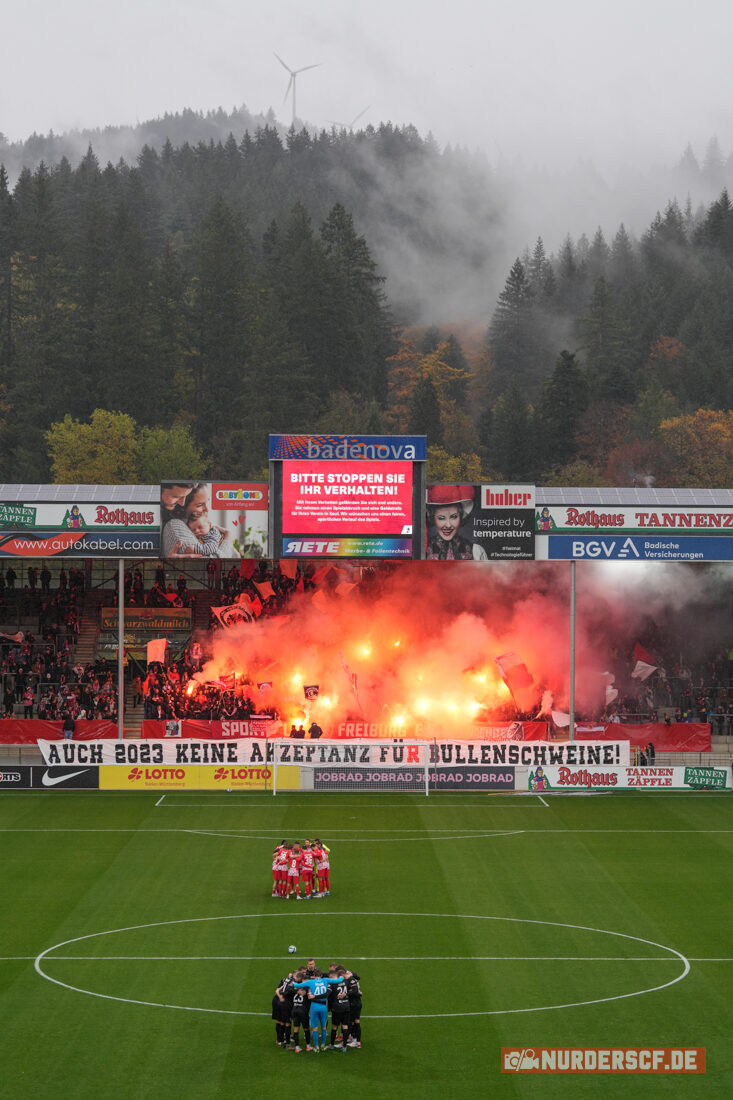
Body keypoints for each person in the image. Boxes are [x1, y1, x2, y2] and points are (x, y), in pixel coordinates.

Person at [425, 485, 488, 561]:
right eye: (441, 518)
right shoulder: (422, 551)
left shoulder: (476, 552)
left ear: (461, 516)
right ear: (433, 518)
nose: (448, 525)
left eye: (454, 517)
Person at [293, 969, 344, 1052]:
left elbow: (297, 985)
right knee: (324, 1027)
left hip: (314, 1007)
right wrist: (341, 976)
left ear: (314, 975)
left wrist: (292, 980)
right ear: (321, 975)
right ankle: (323, 1045)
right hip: (324, 1007)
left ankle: (316, 1046)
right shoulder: (325, 980)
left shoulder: (310, 982)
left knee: (314, 1028)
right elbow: (338, 980)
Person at [328, 967, 351, 1050]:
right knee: (345, 1026)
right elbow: (350, 990)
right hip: (346, 1006)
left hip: (337, 1008)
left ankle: (331, 1045)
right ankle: (344, 1046)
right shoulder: (345, 982)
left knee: (334, 1026)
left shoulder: (332, 984)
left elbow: (329, 996)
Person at [290, 970, 312, 1052]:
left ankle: (297, 1047)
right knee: (306, 1029)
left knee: (296, 1028)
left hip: (294, 1010)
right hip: (303, 1011)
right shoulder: (308, 988)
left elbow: (289, 989)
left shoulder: (296, 987)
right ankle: (308, 1046)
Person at [272, 972, 295, 1048]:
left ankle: (281, 1040)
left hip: (282, 1002)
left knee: (282, 1021)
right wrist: (280, 997)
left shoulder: (288, 981)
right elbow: (277, 991)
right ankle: (279, 1040)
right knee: (280, 1021)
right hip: (278, 1002)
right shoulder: (287, 982)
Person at [344, 969, 363, 1047]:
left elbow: (355, 991)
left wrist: (346, 994)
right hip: (357, 1002)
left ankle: (356, 1041)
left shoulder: (351, 980)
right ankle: (355, 1040)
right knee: (354, 1021)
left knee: (354, 1022)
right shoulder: (353, 979)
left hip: (355, 1003)